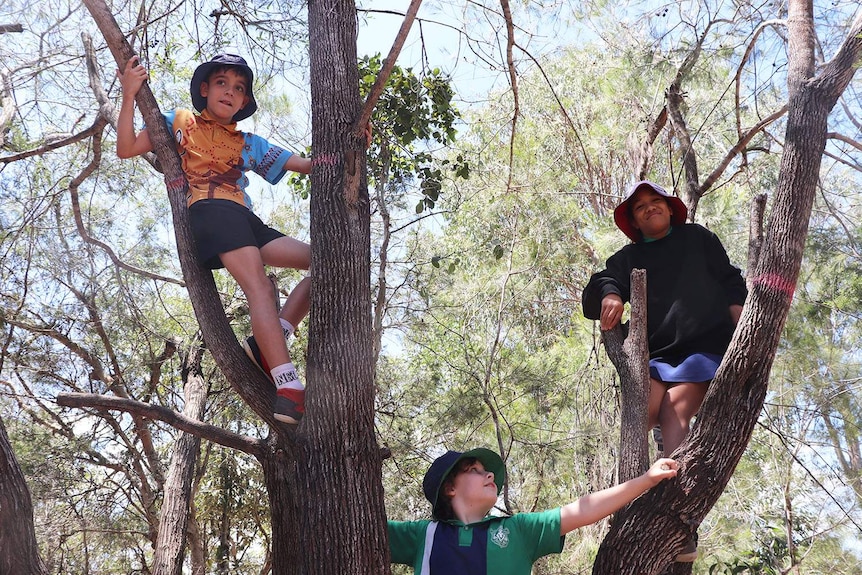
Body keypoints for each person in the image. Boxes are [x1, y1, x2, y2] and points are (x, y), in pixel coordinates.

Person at [117, 53, 314, 424]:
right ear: (205, 89)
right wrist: (129, 93)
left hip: (246, 218)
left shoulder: (247, 141)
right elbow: (126, 148)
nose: (230, 92)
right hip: (211, 211)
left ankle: (273, 338)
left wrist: (353, 145)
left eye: (239, 88)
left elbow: (306, 165)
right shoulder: (180, 121)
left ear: (244, 102)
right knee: (257, 286)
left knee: (327, 263)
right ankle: (288, 387)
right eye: (222, 83)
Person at [582, 180, 747, 561]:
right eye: (640, 207)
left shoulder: (697, 239)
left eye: (656, 201)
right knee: (641, 415)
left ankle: (678, 519)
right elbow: (602, 282)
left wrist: (739, 313)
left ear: (671, 209)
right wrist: (611, 293)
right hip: (656, 357)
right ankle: (624, 503)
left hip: (703, 348)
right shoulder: (628, 258)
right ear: (634, 221)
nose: (649, 208)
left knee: (675, 411)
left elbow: (729, 277)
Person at [388, 448, 678, 574]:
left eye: (488, 471)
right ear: (449, 489)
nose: (489, 474)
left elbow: (582, 509)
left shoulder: (517, 530)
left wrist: (646, 479)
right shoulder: (421, 535)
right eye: (475, 471)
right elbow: (346, 530)